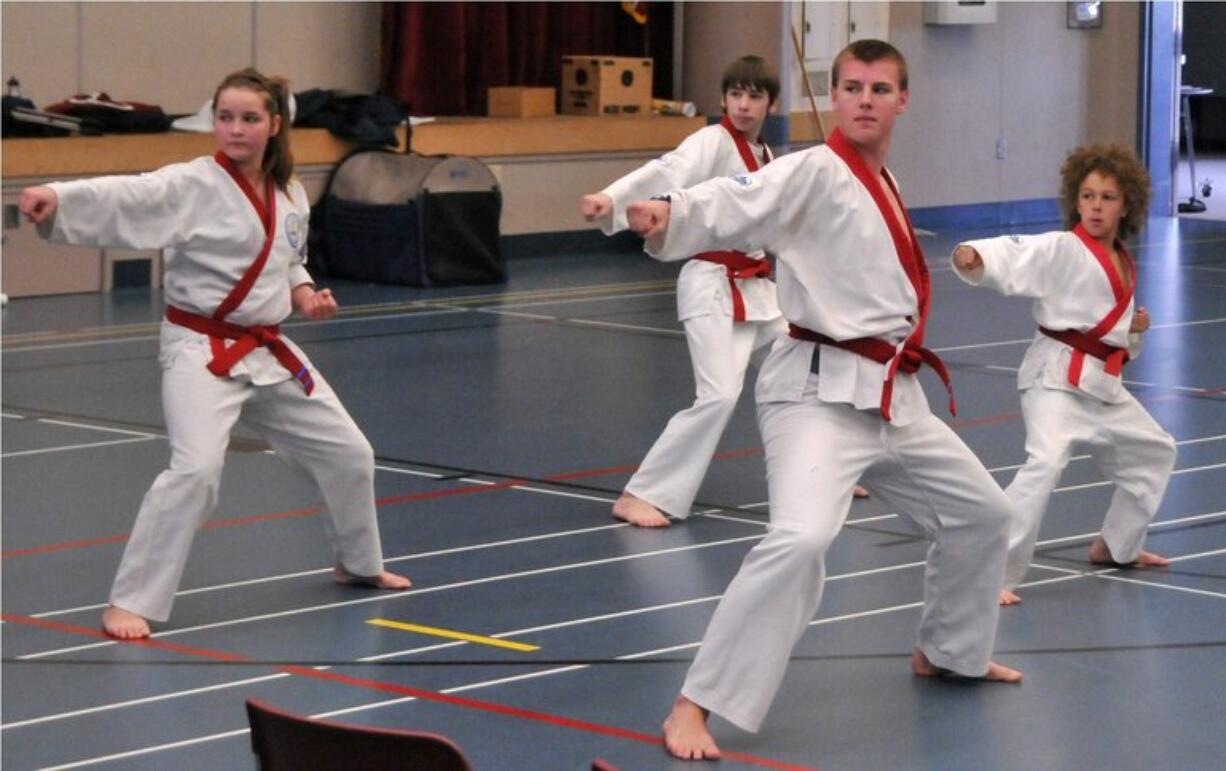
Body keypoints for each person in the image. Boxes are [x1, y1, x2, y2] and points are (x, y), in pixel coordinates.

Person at [625, 40, 1022, 760]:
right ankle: (695, 702)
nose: (865, 98)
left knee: (983, 515)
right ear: (834, 96)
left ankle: (948, 650)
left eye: (879, 87)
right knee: (801, 540)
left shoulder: (884, 180)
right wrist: (669, 212)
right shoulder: (812, 169)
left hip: (891, 394)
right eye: (851, 87)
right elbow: (738, 199)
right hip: (815, 392)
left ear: (903, 99)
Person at [19, 68, 410, 640]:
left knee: (350, 452)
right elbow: (133, 193)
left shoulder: (289, 191)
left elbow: (287, 255)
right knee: (196, 470)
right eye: (224, 117)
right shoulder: (194, 183)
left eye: (249, 118)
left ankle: (357, 563)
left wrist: (303, 293)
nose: (234, 129)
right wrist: (59, 198)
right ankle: (130, 601)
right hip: (200, 348)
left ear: (275, 125)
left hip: (267, 348)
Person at [581, 56, 869, 528]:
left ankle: (828, 471)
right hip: (710, 285)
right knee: (717, 395)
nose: (743, 104)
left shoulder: (768, 158)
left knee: (807, 371)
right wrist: (613, 198)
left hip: (758, 289)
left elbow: (782, 222)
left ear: (770, 103)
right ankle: (643, 493)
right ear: (723, 99)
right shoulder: (711, 141)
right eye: (736, 94)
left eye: (754, 96)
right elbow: (668, 169)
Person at [951, 144, 1175, 606]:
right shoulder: (1062, 248)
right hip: (1055, 377)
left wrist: (1131, 331)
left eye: (1107, 197)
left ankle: (1116, 545)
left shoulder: (1120, 259)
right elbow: (1021, 253)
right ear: (1076, 199)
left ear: (1126, 204)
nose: (1095, 206)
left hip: (1099, 383)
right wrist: (976, 255)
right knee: (1046, 463)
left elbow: (1106, 329)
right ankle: (993, 574)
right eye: (1088, 195)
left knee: (1156, 451)